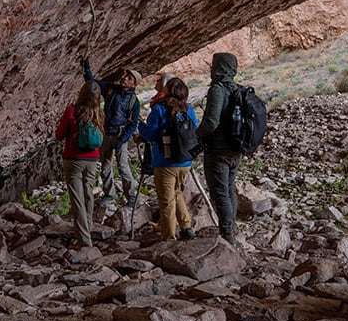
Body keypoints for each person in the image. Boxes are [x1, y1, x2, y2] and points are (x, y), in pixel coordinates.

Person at [140, 76, 198, 240]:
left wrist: (140, 127)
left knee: (166, 201)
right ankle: (186, 226)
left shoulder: (159, 109)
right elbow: (196, 130)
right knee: (176, 192)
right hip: (185, 161)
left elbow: (150, 134)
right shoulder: (189, 109)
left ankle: (168, 237)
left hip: (165, 162)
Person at [196, 52, 244, 246]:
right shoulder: (238, 89)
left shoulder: (218, 89)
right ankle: (230, 229)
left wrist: (196, 135)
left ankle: (227, 235)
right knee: (229, 190)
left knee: (220, 193)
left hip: (218, 150)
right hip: (235, 149)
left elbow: (211, 121)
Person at [80, 59, 141, 208]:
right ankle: (109, 193)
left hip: (120, 134)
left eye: (129, 78)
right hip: (106, 133)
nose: (124, 78)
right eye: (125, 75)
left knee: (123, 166)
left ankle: (131, 197)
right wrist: (87, 69)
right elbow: (93, 83)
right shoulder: (111, 89)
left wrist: (123, 139)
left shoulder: (134, 101)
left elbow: (133, 124)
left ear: (133, 84)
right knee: (106, 165)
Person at [54, 81, 105, 246]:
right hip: (92, 159)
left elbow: (59, 135)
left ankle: (84, 240)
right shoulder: (99, 113)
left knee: (77, 199)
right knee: (87, 191)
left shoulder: (71, 112)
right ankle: (88, 225)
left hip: (73, 159)